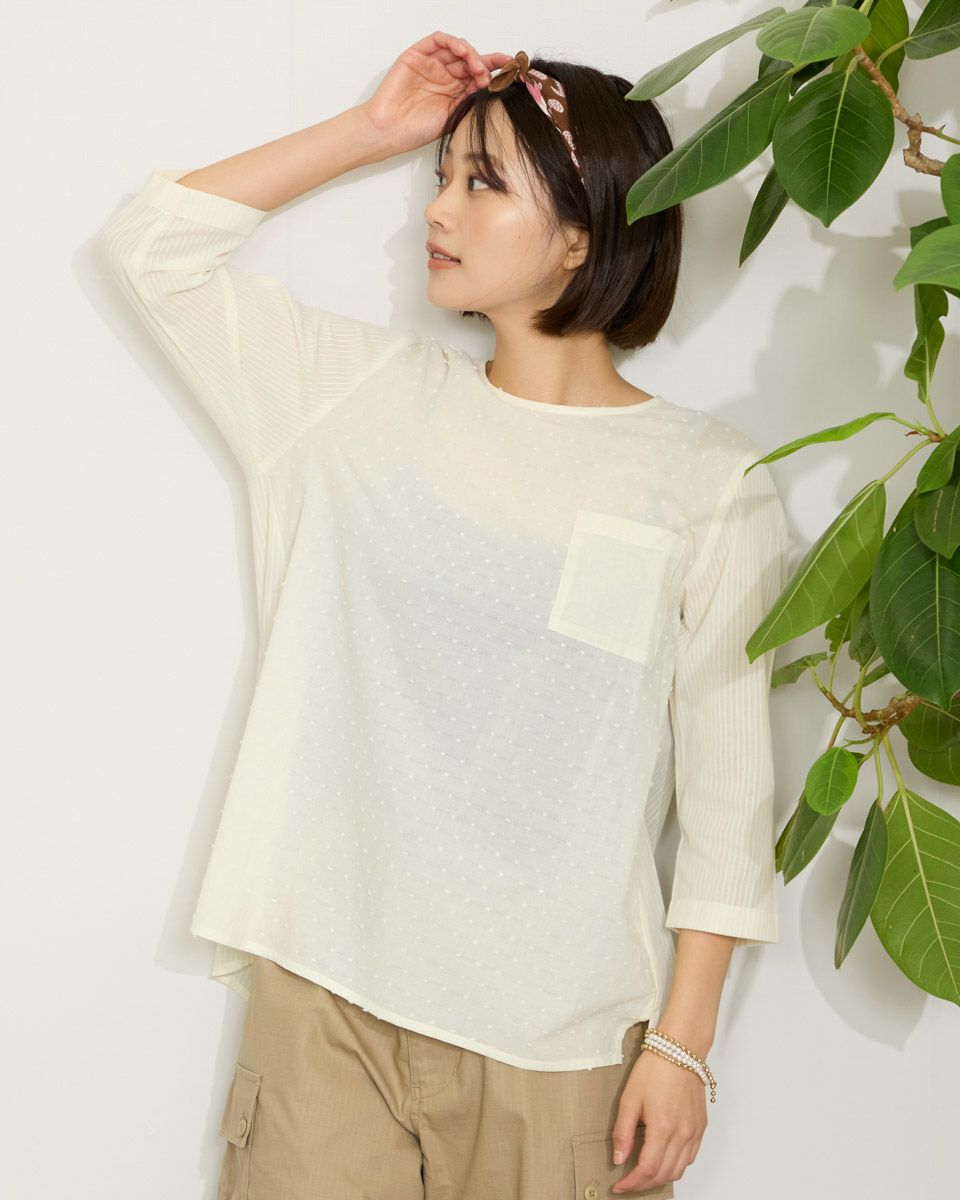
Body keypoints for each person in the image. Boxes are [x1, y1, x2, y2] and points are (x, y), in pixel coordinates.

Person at [96, 30, 790, 1200]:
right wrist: (372, 129)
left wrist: (682, 1044)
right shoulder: (353, 400)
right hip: (329, 998)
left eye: (483, 182)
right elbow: (152, 247)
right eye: (441, 176)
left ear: (582, 233)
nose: (437, 209)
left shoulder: (708, 482)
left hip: (562, 1038)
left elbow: (729, 795)